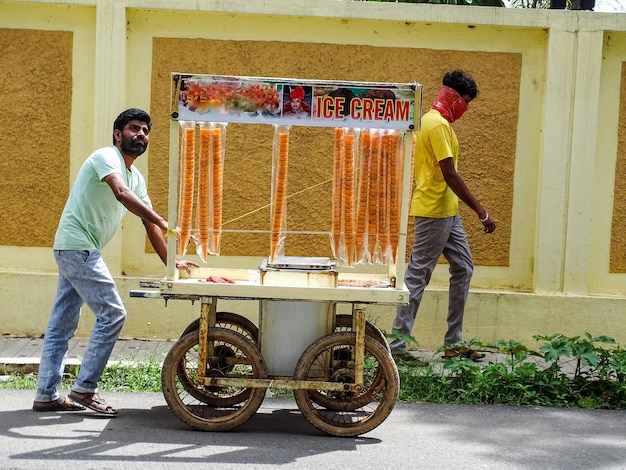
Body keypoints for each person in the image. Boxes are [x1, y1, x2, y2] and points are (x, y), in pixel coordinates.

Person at [32, 108, 198, 415]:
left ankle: (46, 394)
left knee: (61, 326)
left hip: (75, 249)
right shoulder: (106, 157)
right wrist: (163, 220)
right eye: (134, 128)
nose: (141, 134)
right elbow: (120, 194)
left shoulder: (136, 177)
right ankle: (84, 390)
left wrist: (171, 263)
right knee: (112, 314)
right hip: (78, 248)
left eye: (146, 130)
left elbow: (148, 225)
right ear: (117, 134)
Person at [389, 70, 496, 363]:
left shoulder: (440, 124)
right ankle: (397, 346)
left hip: (449, 211)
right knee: (418, 275)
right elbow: (449, 173)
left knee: (463, 268)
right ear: (452, 96)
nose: (466, 107)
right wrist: (481, 210)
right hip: (433, 210)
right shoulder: (435, 125)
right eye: (465, 100)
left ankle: (453, 344)